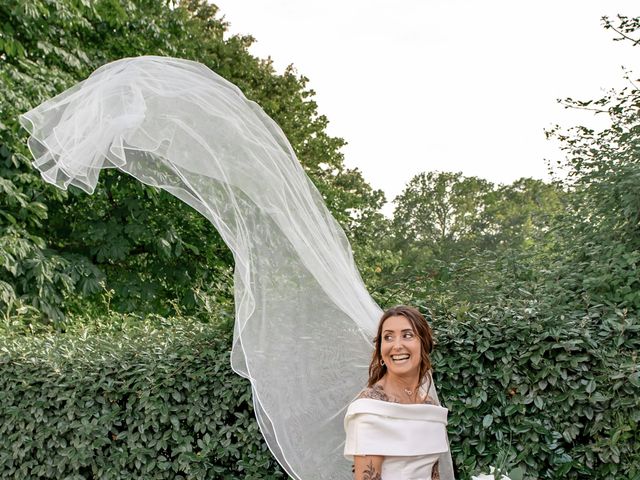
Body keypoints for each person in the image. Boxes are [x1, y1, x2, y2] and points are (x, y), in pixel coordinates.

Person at [344, 305, 450, 480]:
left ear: (424, 344)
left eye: (407, 335)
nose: (397, 345)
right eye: (388, 337)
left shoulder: (429, 405)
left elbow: (433, 474)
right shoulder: (370, 409)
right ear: (380, 350)